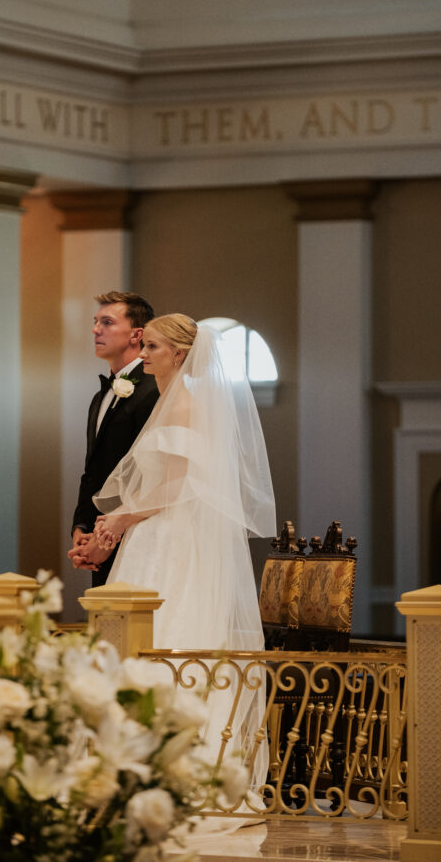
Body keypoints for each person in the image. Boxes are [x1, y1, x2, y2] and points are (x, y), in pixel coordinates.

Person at [93, 314, 277, 792]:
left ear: (178, 353)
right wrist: (120, 520)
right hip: (156, 533)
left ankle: (177, 770)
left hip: (170, 536)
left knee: (170, 634)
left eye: (152, 346)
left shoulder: (185, 406)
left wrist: (124, 516)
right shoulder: (172, 402)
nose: (145, 354)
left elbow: (179, 487)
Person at [68, 291, 159, 586]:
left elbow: (150, 474)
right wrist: (81, 527)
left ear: (137, 334)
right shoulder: (100, 397)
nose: (96, 329)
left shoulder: (154, 391)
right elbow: (93, 469)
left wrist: (107, 539)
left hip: (136, 535)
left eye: (107, 322)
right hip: (99, 533)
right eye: (96, 322)